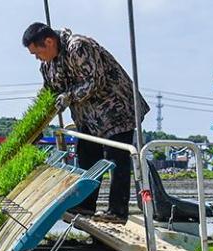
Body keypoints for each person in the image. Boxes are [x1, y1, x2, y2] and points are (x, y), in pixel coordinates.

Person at [22, 22, 150, 224]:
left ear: (49, 41)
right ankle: (85, 205)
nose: (37, 58)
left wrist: (68, 96)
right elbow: (48, 95)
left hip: (115, 110)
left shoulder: (78, 46)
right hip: (89, 118)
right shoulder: (48, 65)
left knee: (116, 158)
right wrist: (35, 128)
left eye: (37, 52)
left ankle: (117, 211)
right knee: (87, 156)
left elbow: (94, 82)